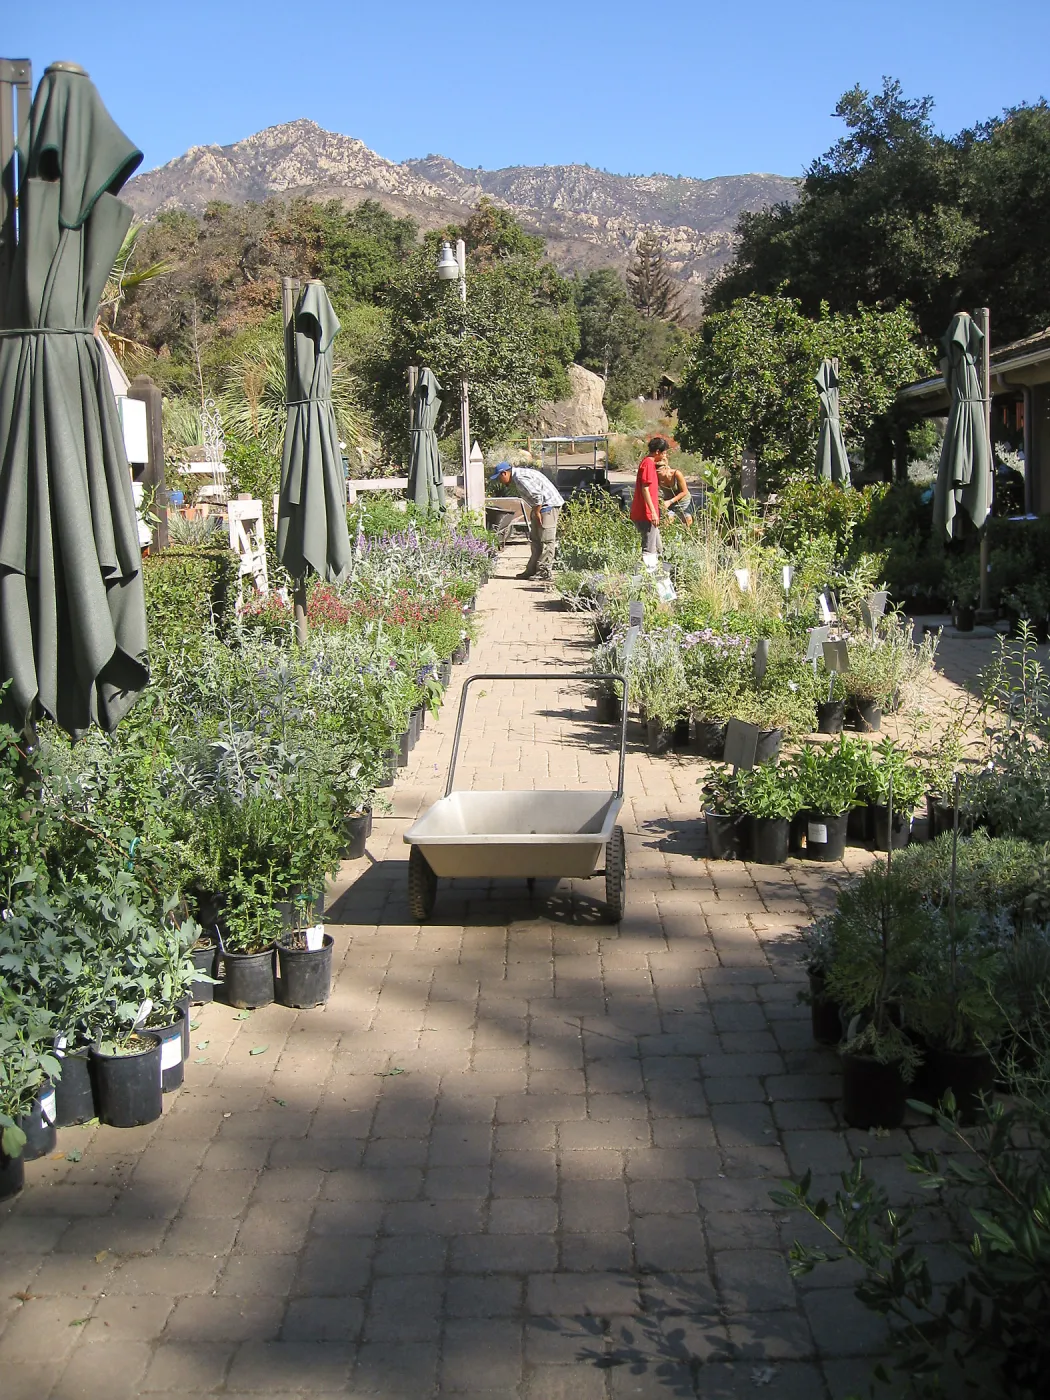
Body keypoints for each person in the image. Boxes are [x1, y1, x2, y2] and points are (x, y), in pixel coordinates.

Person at [490, 460, 565, 580]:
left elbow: (537, 495)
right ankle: (532, 570)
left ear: (504, 473)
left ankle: (544, 572)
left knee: (546, 540)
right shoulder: (519, 476)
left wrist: (537, 512)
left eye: (499, 478)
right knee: (535, 540)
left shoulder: (520, 478)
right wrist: (536, 511)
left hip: (548, 506)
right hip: (540, 507)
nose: (500, 481)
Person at [631, 436, 668, 566]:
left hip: (649, 513)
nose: (665, 455)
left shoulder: (650, 463)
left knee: (658, 548)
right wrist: (652, 512)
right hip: (645, 513)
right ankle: (648, 574)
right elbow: (645, 488)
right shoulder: (647, 464)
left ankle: (660, 573)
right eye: (664, 453)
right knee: (649, 549)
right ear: (657, 451)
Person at [657, 461, 694, 526]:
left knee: (687, 521)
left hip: (683, 501)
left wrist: (670, 501)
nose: (658, 474)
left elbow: (684, 491)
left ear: (665, 469)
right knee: (667, 522)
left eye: (659, 472)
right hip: (668, 502)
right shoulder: (656, 477)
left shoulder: (677, 474)